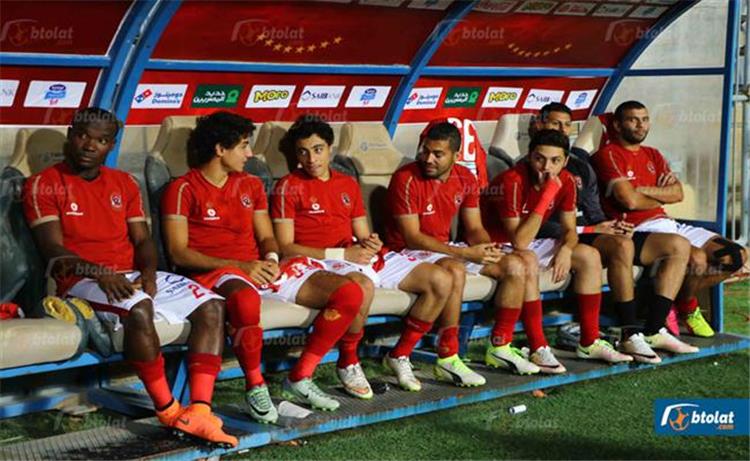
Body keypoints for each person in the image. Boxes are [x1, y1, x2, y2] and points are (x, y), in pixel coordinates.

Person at [22, 108, 237, 447]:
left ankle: (199, 410)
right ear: (70, 135)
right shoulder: (43, 184)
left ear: (111, 145)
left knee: (211, 305)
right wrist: (100, 273)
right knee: (138, 308)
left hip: (131, 273)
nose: (90, 145)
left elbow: (142, 240)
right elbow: (52, 250)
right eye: (83, 136)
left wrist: (149, 274)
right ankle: (169, 411)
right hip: (79, 279)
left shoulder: (124, 183)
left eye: (101, 140)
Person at [161, 111, 364, 414]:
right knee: (245, 300)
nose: (250, 154)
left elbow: (267, 237)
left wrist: (270, 259)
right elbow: (178, 253)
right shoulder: (182, 188)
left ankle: (301, 375)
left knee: (349, 293)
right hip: (214, 272)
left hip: (257, 267)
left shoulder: (252, 184)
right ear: (220, 149)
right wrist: (243, 267)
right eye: (243, 145)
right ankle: (255, 386)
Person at [272, 115, 474, 393]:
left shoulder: (347, 183)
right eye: (303, 152)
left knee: (441, 280)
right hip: (316, 262)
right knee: (362, 285)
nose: (311, 159)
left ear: (330, 149)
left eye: (318, 150)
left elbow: (363, 233)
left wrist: (372, 243)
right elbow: (286, 246)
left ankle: (400, 354)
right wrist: (342, 254)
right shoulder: (287, 186)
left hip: (353, 257)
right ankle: (348, 361)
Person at [532, 103, 697, 362]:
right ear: (540, 124)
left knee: (672, 245)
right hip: (557, 236)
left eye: (567, 125)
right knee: (620, 246)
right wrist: (592, 228)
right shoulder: (530, 168)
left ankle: (651, 331)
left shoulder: (580, 166)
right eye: (555, 123)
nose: (562, 129)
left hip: (588, 231)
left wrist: (610, 226)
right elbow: (538, 222)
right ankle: (629, 331)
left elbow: (594, 209)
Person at [385, 121, 544, 376]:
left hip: (445, 248)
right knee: (455, 269)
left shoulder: (466, 177)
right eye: (425, 151)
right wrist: (464, 253)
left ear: (455, 155)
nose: (428, 159)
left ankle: (500, 346)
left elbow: (474, 228)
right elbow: (412, 237)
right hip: (406, 252)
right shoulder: (405, 178)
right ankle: (448, 355)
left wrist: (486, 248)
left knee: (515, 265)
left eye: (438, 154)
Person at [592, 100, 749, 338]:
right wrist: (659, 195)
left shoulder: (652, 154)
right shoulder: (608, 154)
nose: (640, 125)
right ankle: (664, 317)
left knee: (735, 255)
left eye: (645, 119)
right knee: (696, 258)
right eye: (633, 120)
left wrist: (641, 190)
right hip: (638, 228)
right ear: (617, 125)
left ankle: (683, 303)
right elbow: (629, 201)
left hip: (670, 223)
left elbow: (678, 193)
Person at [482, 129, 634, 365]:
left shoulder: (568, 180)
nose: (546, 167)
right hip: (496, 244)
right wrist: (547, 196)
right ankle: (538, 347)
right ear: (529, 156)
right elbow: (519, 241)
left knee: (589, 256)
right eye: (539, 159)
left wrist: (566, 249)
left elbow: (569, 230)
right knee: (528, 257)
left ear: (565, 161)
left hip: (528, 242)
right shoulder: (512, 180)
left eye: (555, 161)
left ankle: (589, 342)